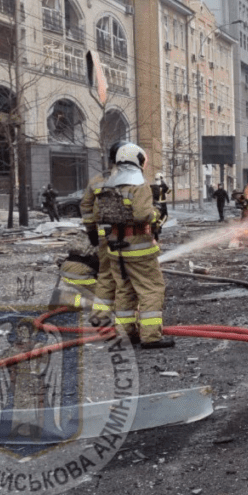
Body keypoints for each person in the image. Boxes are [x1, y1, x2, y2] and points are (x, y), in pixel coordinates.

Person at [98, 143, 173, 349]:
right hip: (139, 247)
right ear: (137, 160)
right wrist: (157, 211)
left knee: (124, 290)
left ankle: (125, 334)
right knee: (151, 290)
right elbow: (143, 215)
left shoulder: (110, 184)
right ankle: (150, 337)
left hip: (116, 248)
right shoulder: (138, 185)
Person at [80, 140, 130, 327]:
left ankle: (100, 316)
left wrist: (91, 230)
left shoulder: (97, 180)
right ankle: (127, 322)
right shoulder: (133, 181)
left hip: (103, 237)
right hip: (128, 236)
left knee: (106, 275)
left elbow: (85, 207)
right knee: (128, 277)